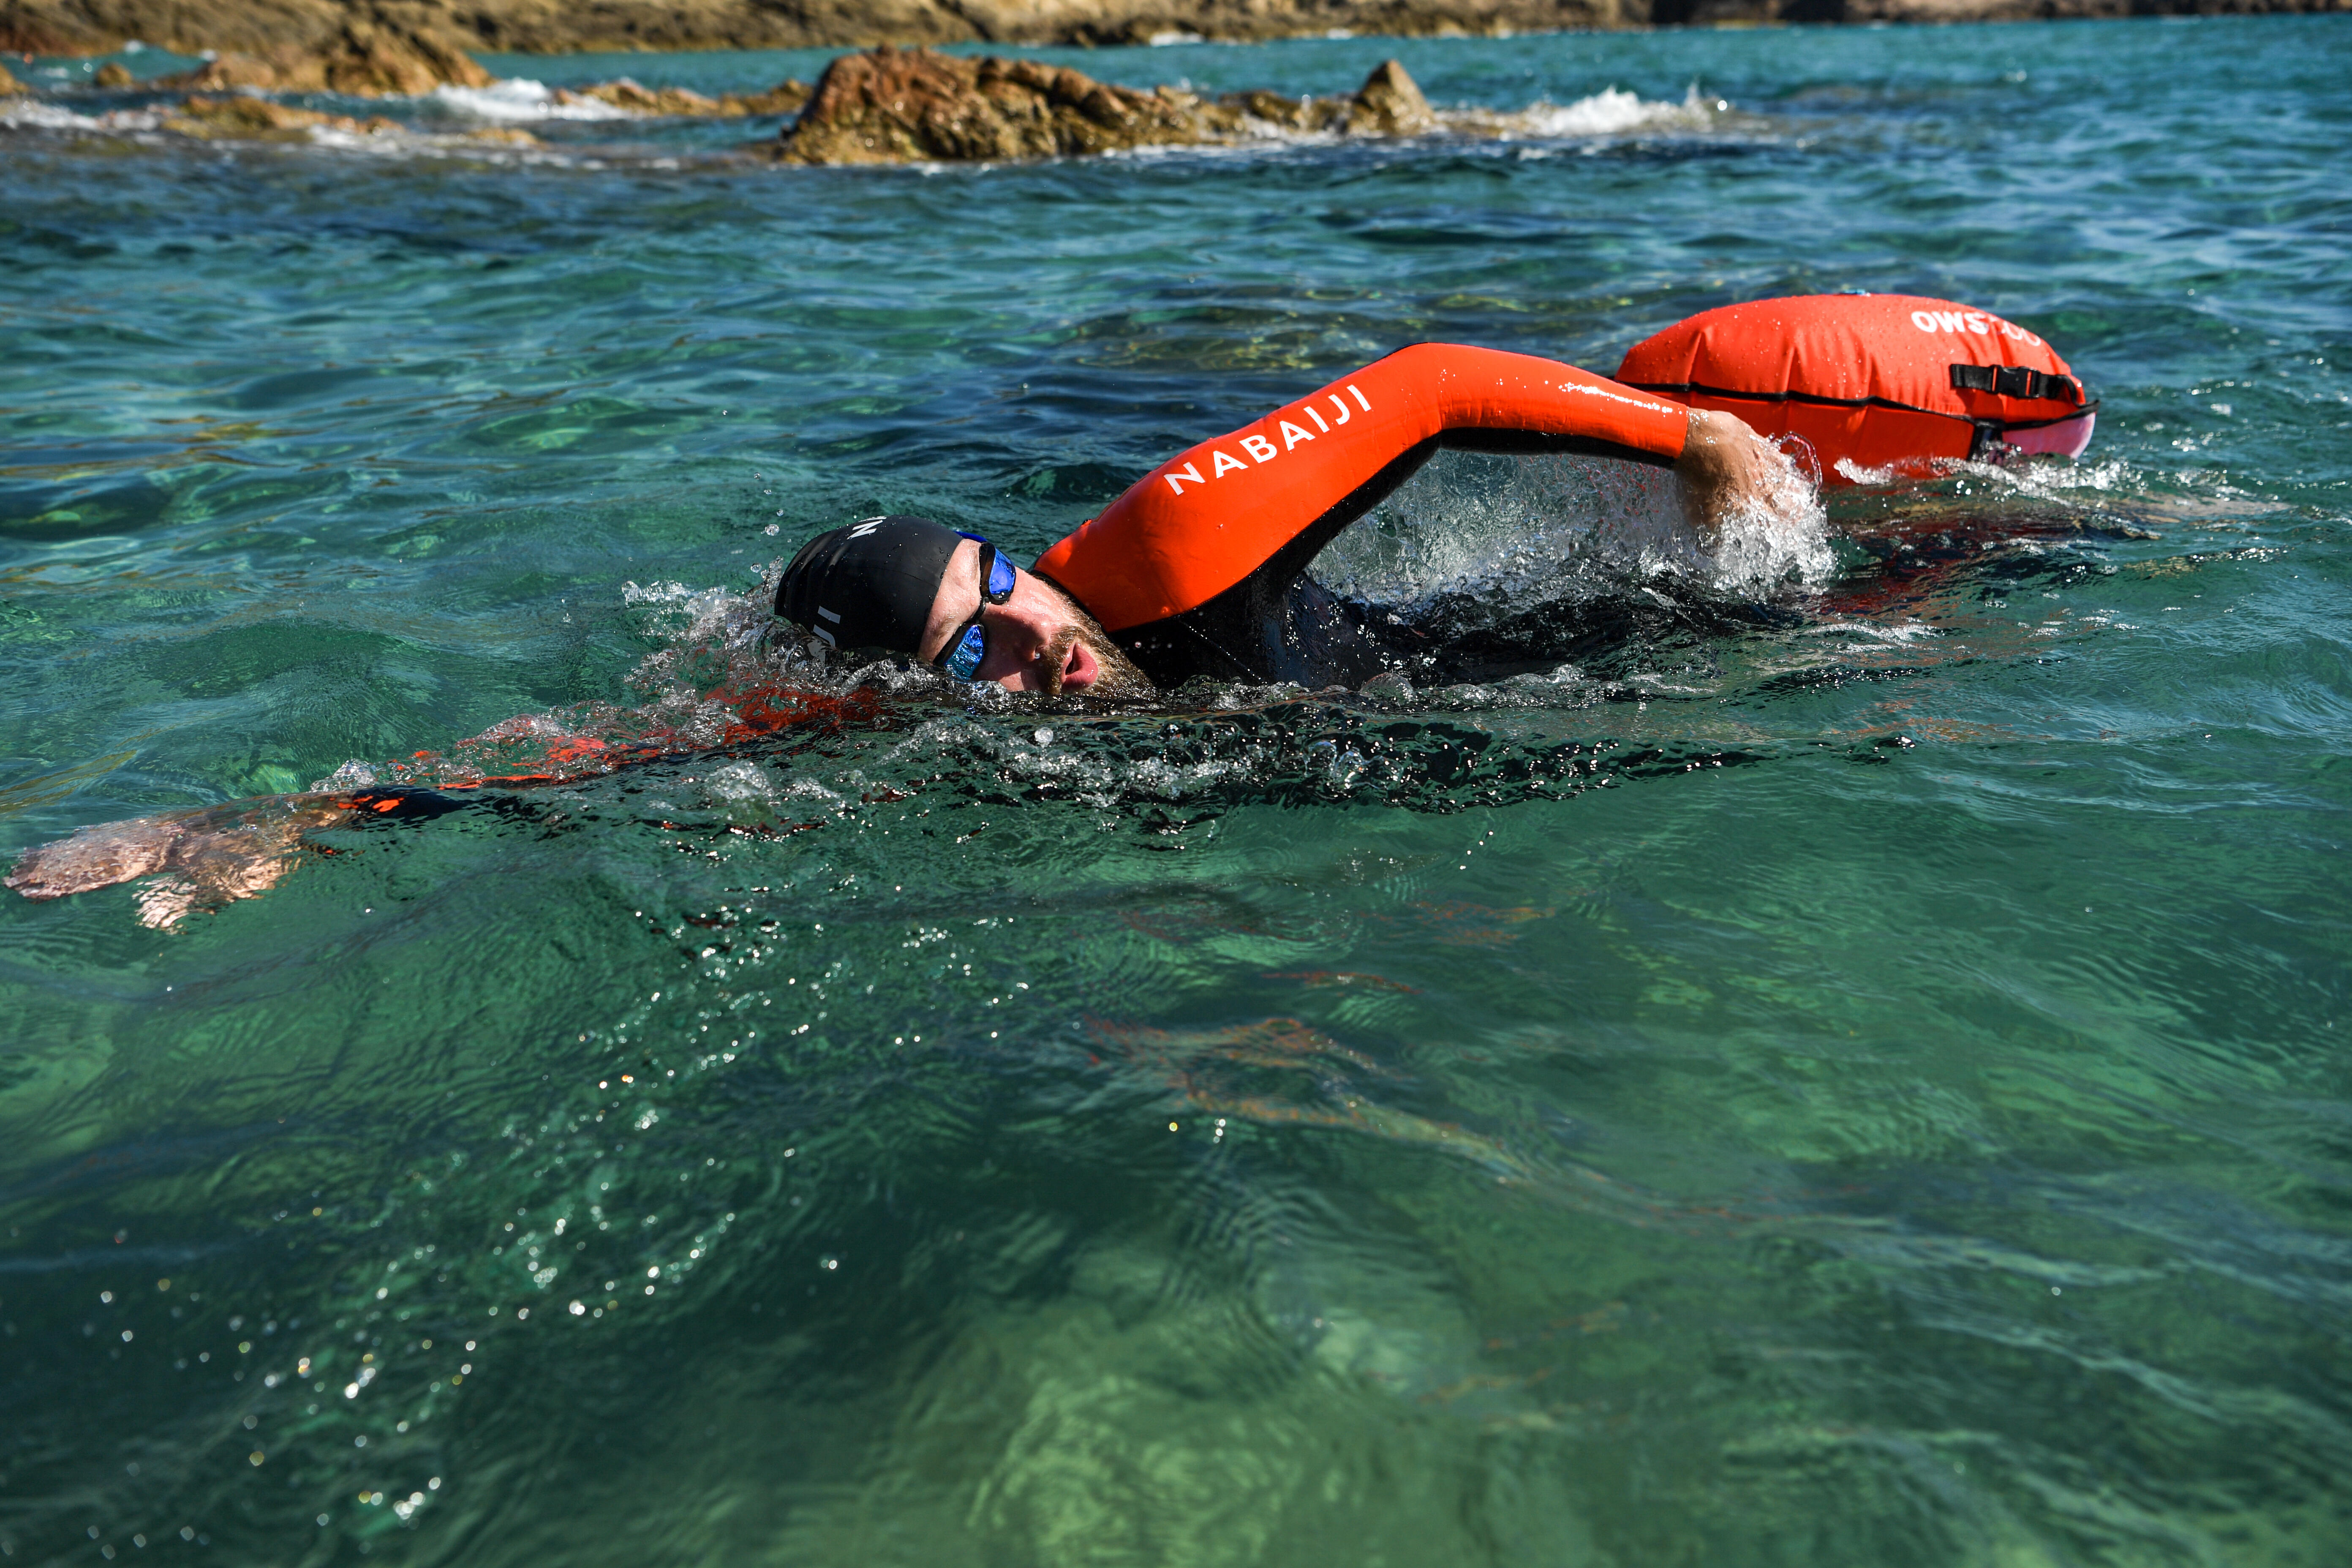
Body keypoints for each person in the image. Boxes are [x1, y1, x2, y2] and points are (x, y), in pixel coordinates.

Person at [773, 342, 1795, 697]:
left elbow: (1431, 385)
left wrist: (1691, 436)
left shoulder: (1175, 542)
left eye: (998, 582)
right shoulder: (918, 735)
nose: (1034, 631)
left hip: (1552, 663)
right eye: (965, 655)